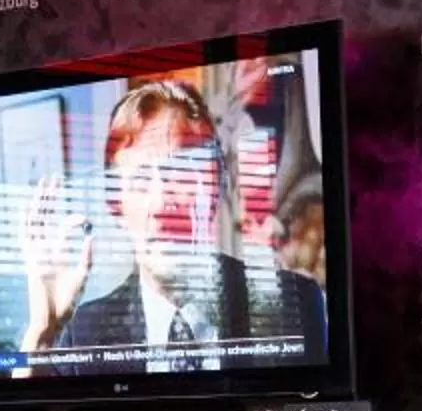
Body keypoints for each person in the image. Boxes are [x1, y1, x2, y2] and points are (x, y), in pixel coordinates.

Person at [18, 77, 326, 370]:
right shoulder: (82, 334)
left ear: (215, 189)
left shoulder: (293, 306)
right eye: (139, 180)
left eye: (180, 174)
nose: (161, 204)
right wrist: (42, 334)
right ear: (116, 204)